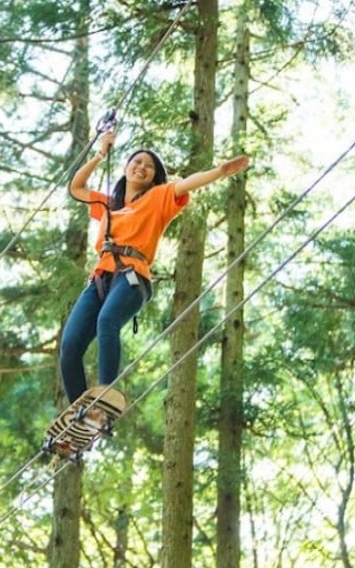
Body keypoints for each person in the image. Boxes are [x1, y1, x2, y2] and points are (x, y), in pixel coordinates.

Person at [60, 130, 250, 404]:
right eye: (137, 162)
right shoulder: (107, 204)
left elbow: (186, 183)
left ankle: (104, 397)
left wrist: (219, 171)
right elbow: (76, 187)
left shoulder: (159, 197)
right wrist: (101, 153)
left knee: (107, 321)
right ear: (126, 168)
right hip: (101, 278)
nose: (142, 167)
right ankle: (80, 412)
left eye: (149, 166)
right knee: (69, 346)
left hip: (132, 277)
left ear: (154, 176)